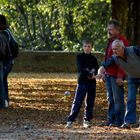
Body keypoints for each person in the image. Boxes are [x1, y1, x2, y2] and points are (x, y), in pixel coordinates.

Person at [97, 39, 140, 129]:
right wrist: (100, 72)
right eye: (113, 49)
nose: (114, 51)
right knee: (131, 99)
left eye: (116, 49)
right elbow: (104, 65)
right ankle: (129, 122)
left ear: (123, 48)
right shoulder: (114, 58)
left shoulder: (133, 50)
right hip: (132, 78)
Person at [99, 20, 129, 127]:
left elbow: (125, 61)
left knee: (118, 99)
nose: (109, 31)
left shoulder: (123, 42)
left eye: (111, 29)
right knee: (110, 99)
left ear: (117, 29)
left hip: (116, 76)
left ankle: (119, 121)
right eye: (108, 29)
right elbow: (107, 58)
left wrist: (120, 76)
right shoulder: (110, 41)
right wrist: (103, 73)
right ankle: (111, 120)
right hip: (108, 75)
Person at [66, 39, 99, 128]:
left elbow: (96, 69)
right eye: (85, 46)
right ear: (82, 47)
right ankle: (70, 120)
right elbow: (81, 68)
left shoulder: (94, 59)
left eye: (89, 46)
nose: (87, 48)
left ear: (92, 47)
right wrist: (89, 75)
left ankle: (87, 120)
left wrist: (94, 75)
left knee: (90, 102)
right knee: (78, 101)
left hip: (92, 83)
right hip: (82, 82)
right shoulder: (79, 57)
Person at [0, 15, 18, 107]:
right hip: (10, 60)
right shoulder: (8, 31)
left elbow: (3, 49)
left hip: (7, 60)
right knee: (3, 80)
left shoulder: (4, 33)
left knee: (2, 80)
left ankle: (4, 101)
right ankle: (5, 101)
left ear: (1, 24)